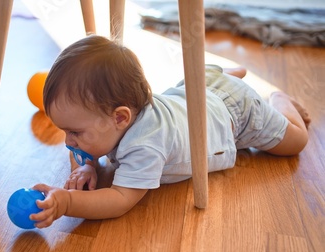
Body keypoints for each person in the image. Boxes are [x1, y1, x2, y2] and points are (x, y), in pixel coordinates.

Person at [30, 35, 311, 228]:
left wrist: (67, 202)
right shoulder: (108, 121)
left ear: (120, 118)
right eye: (65, 131)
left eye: (75, 132)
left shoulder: (146, 144)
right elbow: (81, 151)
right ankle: (220, 75)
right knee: (199, 87)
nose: (69, 141)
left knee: (297, 142)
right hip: (194, 91)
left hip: (237, 113)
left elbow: (119, 199)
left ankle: (278, 100)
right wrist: (87, 167)